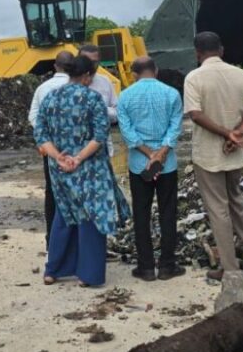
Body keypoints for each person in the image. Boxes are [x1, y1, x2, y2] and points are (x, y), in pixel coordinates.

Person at [35, 55, 130, 287]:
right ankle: (87, 275)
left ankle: (53, 270)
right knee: (91, 217)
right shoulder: (92, 99)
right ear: (88, 76)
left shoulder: (50, 98)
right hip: (90, 168)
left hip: (59, 167)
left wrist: (59, 157)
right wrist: (77, 158)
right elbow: (100, 136)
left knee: (64, 214)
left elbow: (40, 135)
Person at [183, 32, 243, 281]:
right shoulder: (241, 75)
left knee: (218, 208)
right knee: (236, 200)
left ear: (197, 53)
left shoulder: (194, 78)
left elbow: (195, 115)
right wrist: (237, 133)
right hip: (235, 152)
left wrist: (228, 134)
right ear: (222, 50)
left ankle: (229, 268)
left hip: (209, 153)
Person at [117, 56, 184, 282]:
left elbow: (127, 133)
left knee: (141, 214)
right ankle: (167, 266)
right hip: (167, 165)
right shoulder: (172, 94)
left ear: (134, 74)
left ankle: (145, 267)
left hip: (139, 165)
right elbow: (176, 127)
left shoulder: (125, 96)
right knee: (167, 212)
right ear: (155, 70)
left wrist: (148, 154)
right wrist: (161, 153)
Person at [27, 51, 74, 247]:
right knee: (77, 193)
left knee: (52, 193)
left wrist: (46, 140)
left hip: (52, 151)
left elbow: (34, 118)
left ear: (55, 66)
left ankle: (52, 241)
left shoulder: (42, 89)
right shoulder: (81, 88)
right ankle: (75, 241)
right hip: (78, 152)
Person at [79, 43, 117, 157]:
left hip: (102, 150)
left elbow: (117, 112)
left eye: (94, 61)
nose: (90, 65)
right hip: (76, 150)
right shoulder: (66, 84)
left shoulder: (105, 82)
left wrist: (100, 109)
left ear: (99, 62)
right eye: (86, 60)